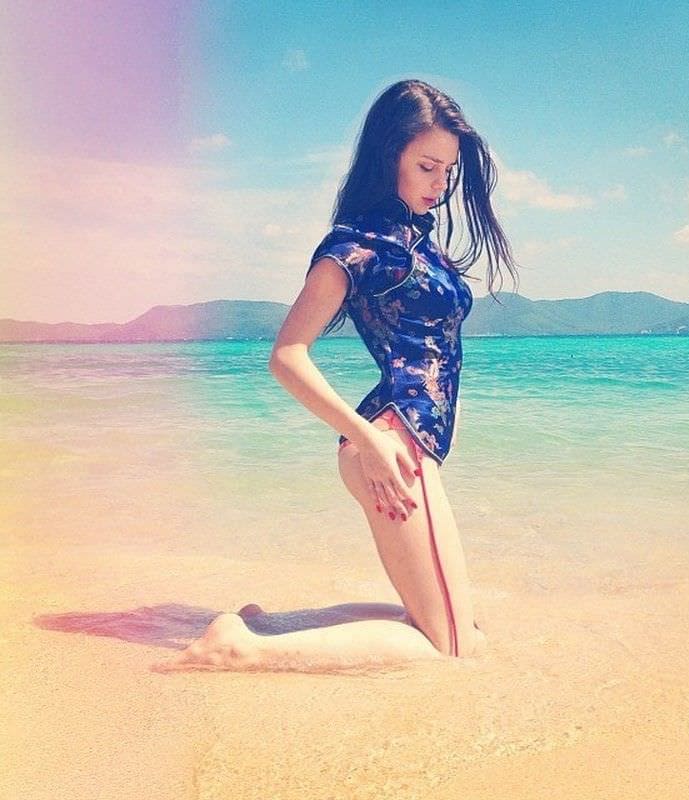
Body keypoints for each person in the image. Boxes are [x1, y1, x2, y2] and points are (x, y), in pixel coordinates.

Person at [159, 79, 518, 672]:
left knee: (457, 630)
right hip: (391, 445)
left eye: (448, 171)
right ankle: (239, 651)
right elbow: (287, 355)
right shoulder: (359, 246)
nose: (440, 184)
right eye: (427, 167)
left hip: (404, 444)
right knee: (452, 647)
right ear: (389, 155)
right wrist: (369, 439)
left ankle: (266, 627)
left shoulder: (417, 242)